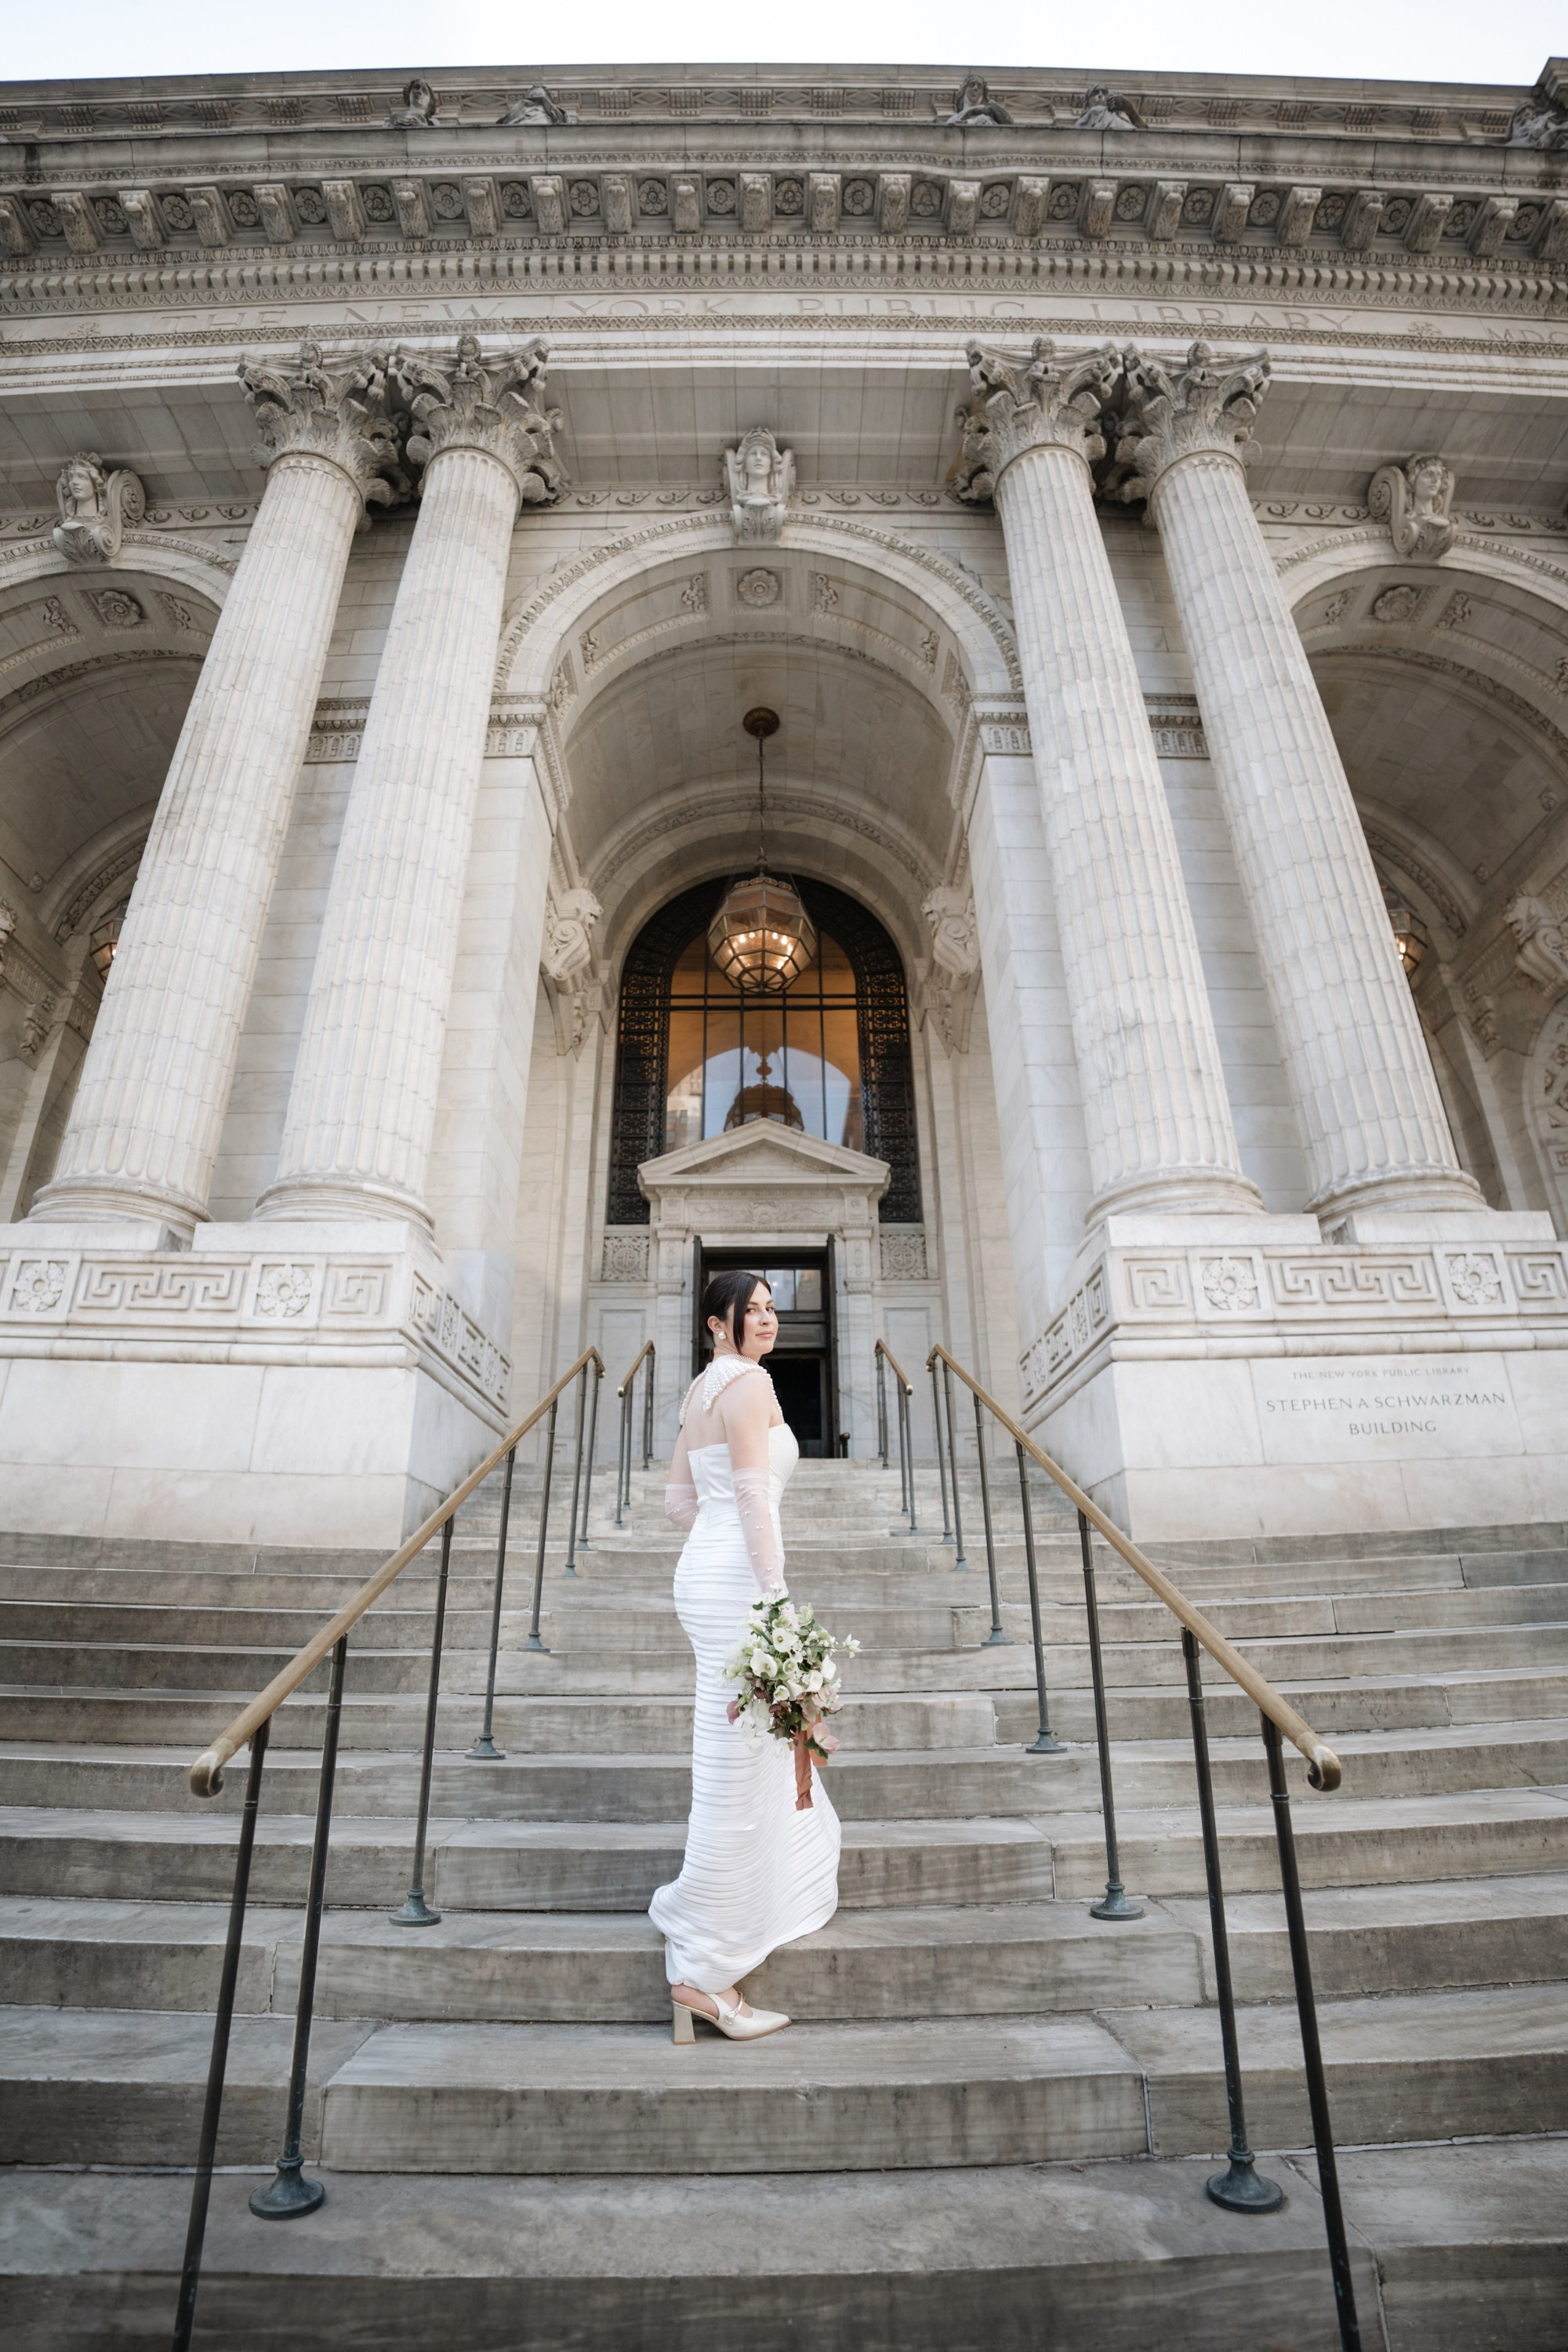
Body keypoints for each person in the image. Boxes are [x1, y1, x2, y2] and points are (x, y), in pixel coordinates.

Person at [649, 1270, 840, 2040]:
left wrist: (718, 1538)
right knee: (740, 1763)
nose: (766, 1319)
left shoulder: (699, 1393)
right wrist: (773, 1601)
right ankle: (704, 1969)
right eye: (750, 1309)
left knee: (733, 1752)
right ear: (714, 1322)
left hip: (702, 1571)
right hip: (737, 1582)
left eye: (769, 1307)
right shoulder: (750, 1387)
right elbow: (755, 1501)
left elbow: (677, 1502)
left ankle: (710, 1936)